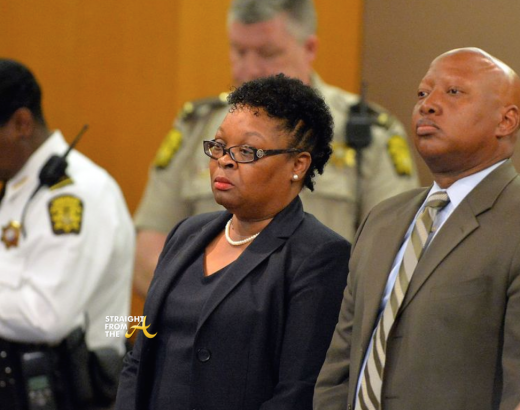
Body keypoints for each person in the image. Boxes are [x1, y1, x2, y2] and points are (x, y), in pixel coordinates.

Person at [132, 0, 419, 298]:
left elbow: (393, 256)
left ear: (309, 48)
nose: (250, 69)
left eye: (268, 53)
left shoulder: (368, 134)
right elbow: (149, 250)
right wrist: (211, 307)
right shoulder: (197, 127)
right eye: (239, 51)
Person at [115, 74, 351, 410]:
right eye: (219, 146)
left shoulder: (319, 255)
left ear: (298, 165)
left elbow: (297, 392)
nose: (224, 160)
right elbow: (139, 360)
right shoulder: (186, 234)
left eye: (246, 151)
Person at [314, 47, 520, 410]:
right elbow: (340, 366)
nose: (428, 105)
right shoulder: (382, 219)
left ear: (506, 121)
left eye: (453, 92)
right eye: (423, 93)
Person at [0, 59, 135, 409]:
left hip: (73, 393)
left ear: (21, 124)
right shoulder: (19, 185)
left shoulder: (78, 194)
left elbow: (46, 316)